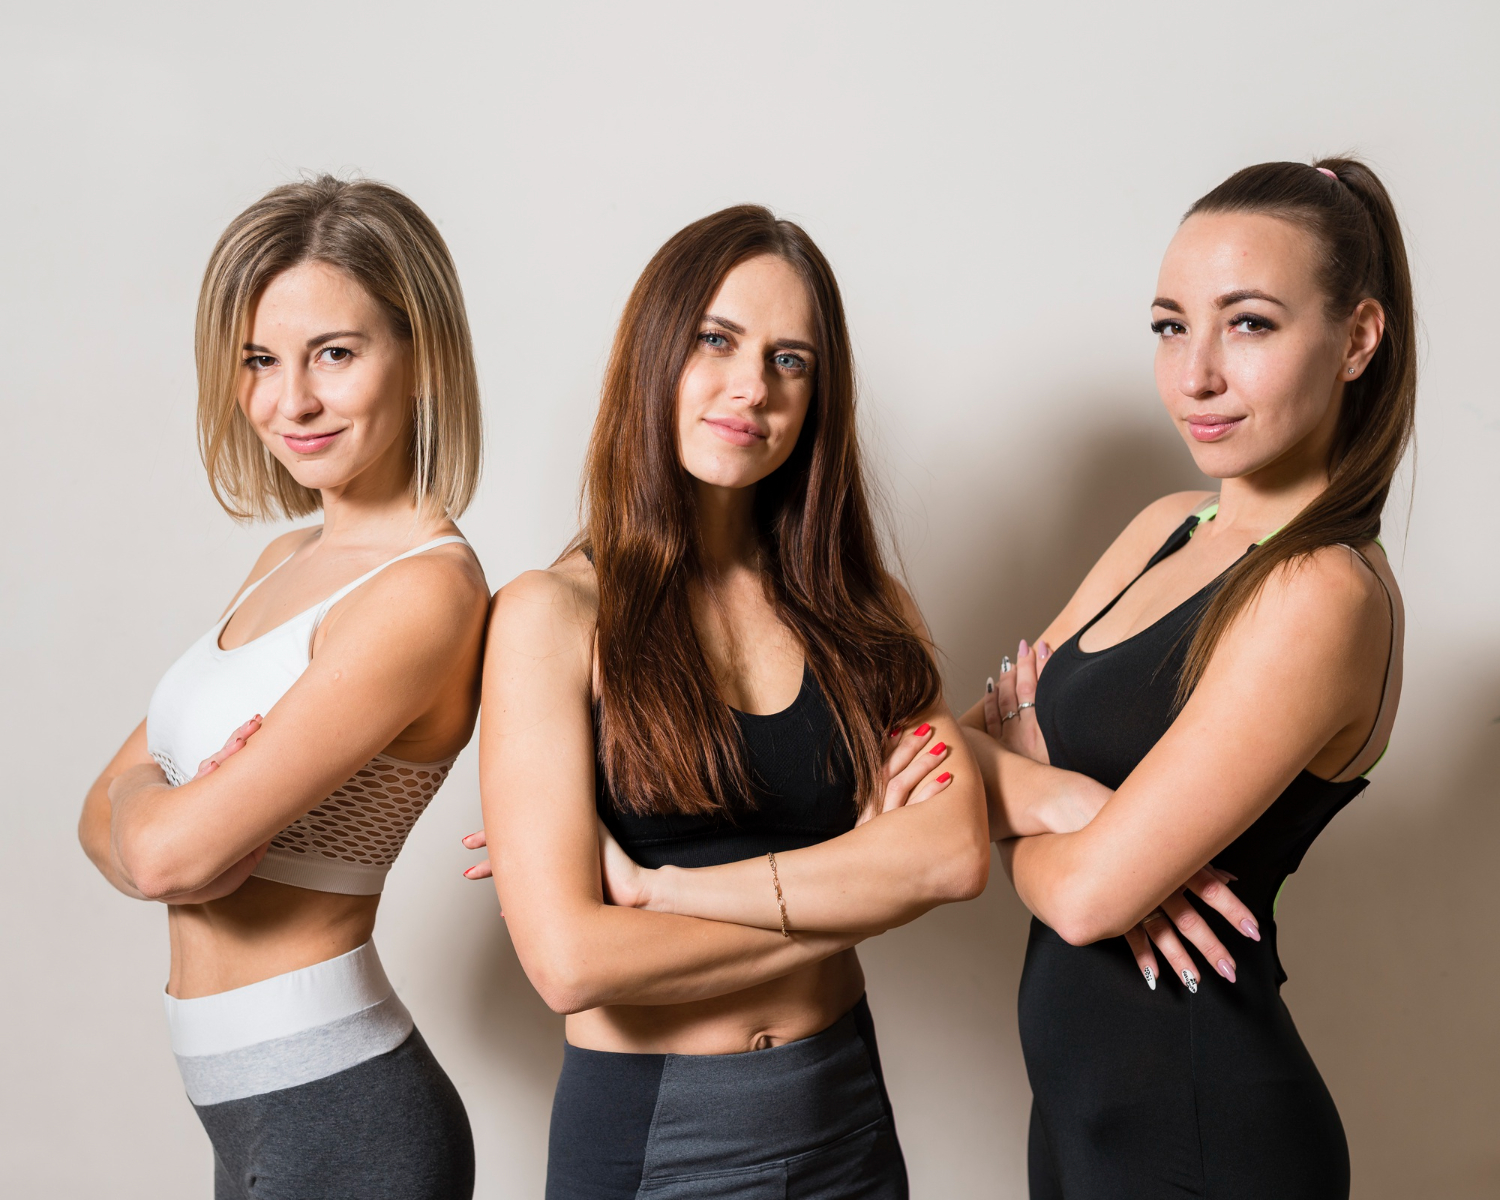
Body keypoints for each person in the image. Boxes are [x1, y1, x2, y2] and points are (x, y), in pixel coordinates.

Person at [463, 205, 990, 1198]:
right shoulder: (551, 617)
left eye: (790, 360)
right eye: (717, 339)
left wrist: (667, 896)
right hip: (661, 1136)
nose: (752, 386)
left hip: (846, 1111)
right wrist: (858, 884)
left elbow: (953, 856)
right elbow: (571, 962)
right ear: (655, 349)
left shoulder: (863, 611)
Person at [962, 157, 1411, 1199]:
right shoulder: (1171, 526)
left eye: (1248, 323)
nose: (1195, 374)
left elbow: (1080, 902)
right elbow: (939, 754)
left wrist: (1058, 829)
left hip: (1204, 1133)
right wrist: (1068, 802)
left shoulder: (1324, 593)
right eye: (1170, 326)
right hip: (1078, 1123)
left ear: (1356, 339)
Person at [78, 176, 489, 1200]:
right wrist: (159, 822)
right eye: (261, 361)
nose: (288, 401)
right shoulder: (283, 562)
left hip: (343, 1114)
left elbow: (170, 851)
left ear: (421, 355)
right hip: (252, 1112)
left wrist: (164, 824)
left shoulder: (425, 592)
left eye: (333, 355)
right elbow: (102, 815)